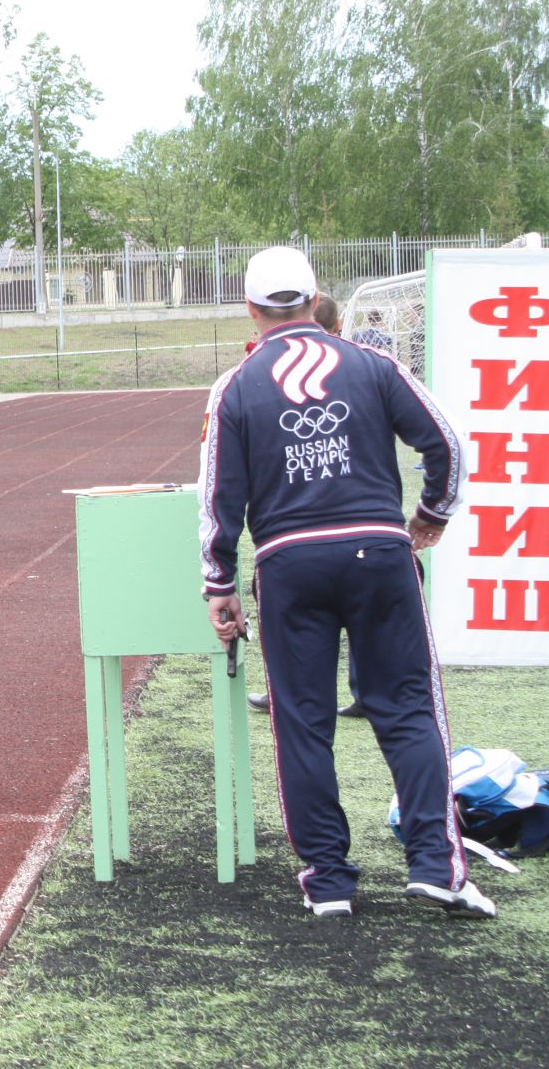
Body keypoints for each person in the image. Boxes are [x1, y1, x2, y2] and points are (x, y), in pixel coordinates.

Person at [200, 246, 488, 919]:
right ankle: (434, 867)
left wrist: (219, 582)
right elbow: (447, 443)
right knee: (409, 710)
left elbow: (219, 496)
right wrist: (431, 516)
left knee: (302, 724)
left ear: (250, 308)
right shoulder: (373, 364)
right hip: (379, 553)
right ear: (316, 296)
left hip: (288, 564)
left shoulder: (236, 385)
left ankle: (329, 882)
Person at [248, 291, 365, 719]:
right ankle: (368, 689)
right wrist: (431, 514)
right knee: (365, 611)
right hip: (360, 525)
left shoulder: (255, 377)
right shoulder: (365, 368)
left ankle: (291, 692)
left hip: (294, 531)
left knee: (304, 617)